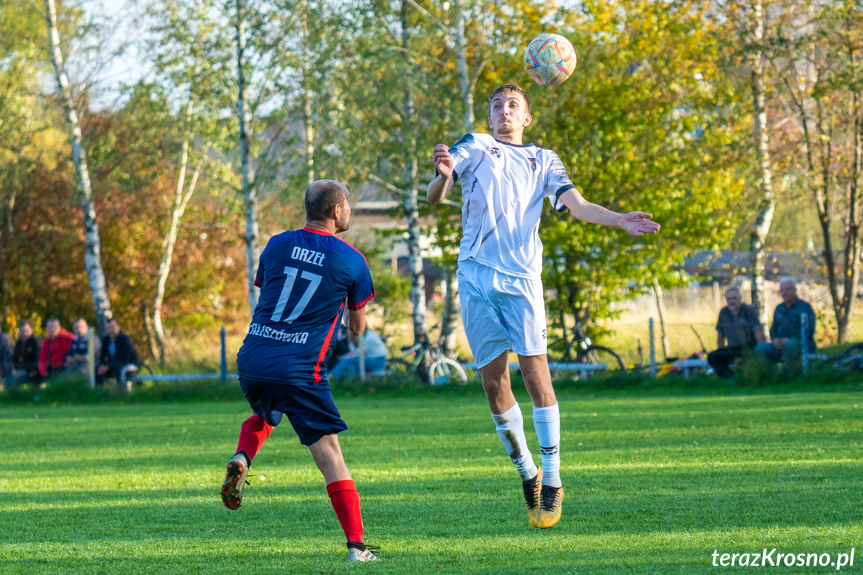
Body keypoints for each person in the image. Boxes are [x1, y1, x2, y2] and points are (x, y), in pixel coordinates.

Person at [427, 83, 660, 529]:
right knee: (494, 387)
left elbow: (578, 204)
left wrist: (618, 219)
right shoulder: (476, 145)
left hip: (521, 282)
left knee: (536, 378)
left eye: (513, 105)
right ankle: (528, 473)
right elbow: (435, 194)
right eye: (497, 106)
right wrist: (442, 174)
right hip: (475, 276)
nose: (504, 111)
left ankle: (552, 480)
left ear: (527, 118)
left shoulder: (544, 159)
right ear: (490, 116)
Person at [223, 180, 379, 562]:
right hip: (299, 365)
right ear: (337, 212)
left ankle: (243, 458)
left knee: (268, 411)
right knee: (330, 454)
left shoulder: (276, 244)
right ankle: (357, 548)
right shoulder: (352, 259)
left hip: (255, 355)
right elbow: (358, 330)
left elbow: (272, 290)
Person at [707, 287, 765, 378]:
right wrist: (721, 350)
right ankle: (728, 378)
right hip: (732, 348)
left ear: (740, 298)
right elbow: (720, 334)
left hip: (748, 347)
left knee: (746, 358)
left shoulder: (749, 310)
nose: (732, 301)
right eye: (729, 299)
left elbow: (758, 331)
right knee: (713, 356)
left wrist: (760, 349)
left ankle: (744, 377)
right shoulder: (724, 312)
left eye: (734, 298)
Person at [756, 277, 816, 363]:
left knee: (790, 344)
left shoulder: (805, 307)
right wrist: (775, 340)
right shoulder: (779, 308)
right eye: (782, 290)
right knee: (761, 348)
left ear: (795, 290)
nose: (785, 293)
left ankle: (792, 374)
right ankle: (768, 375)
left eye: (788, 290)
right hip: (779, 345)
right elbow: (773, 329)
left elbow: (810, 330)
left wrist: (788, 340)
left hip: (801, 344)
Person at [97, 319, 140, 386]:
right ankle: (99, 393)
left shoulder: (125, 340)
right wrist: (102, 365)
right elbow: (103, 356)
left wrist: (108, 366)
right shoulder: (106, 340)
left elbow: (124, 359)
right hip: (113, 365)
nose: (110, 330)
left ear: (118, 327)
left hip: (129, 364)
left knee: (120, 370)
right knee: (98, 370)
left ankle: (123, 393)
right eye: (108, 328)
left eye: (112, 327)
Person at [10, 320, 41, 385]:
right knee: (8, 379)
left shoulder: (35, 341)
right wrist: (16, 370)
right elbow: (14, 358)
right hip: (21, 369)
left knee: (15, 381)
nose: (24, 333)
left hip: (32, 371)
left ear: (31, 330)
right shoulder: (19, 342)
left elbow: (37, 359)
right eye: (22, 331)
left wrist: (28, 371)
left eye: (26, 330)